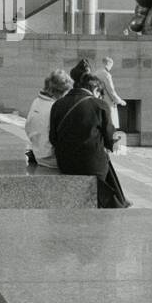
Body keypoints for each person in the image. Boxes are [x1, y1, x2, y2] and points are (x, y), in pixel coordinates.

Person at [49, 72, 130, 208]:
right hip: (92, 166)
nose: (100, 96)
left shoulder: (57, 104)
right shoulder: (100, 105)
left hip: (65, 163)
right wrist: (121, 143)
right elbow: (111, 141)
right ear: (95, 89)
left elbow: (53, 138)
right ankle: (117, 201)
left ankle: (117, 200)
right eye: (101, 93)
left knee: (100, 157)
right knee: (104, 159)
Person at [25, 69, 72, 170]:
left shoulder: (36, 102)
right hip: (53, 159)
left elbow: (28, 128)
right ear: (60, 92)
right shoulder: (56, 107)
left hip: (38, 154)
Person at [93, 56, 126, 130]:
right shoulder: (106, 74)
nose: (111, 68)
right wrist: (119, 101)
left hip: (97, 101)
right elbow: (111, 91)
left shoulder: (96, 73)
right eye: (111, 66)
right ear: (108, 64)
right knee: (109, 124)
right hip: (106, 102)